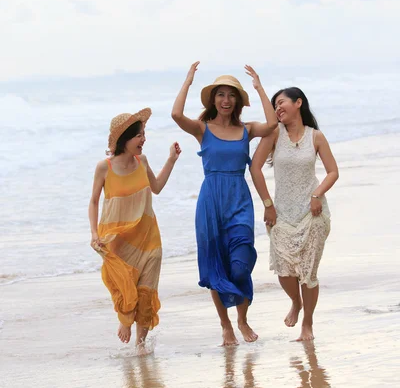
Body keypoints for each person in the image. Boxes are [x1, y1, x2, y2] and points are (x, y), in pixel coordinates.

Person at [171, 62, 277, 346]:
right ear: (213, 99)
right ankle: (227, 326)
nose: (226, 100)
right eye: (221, 94)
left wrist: (258, 86)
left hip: (239, 200)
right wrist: (188, 80)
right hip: (210, 203)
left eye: (232, 95)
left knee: (241, 264)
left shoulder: (247, 129)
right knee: (216, 265)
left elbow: (272, 124)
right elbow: (176, 114)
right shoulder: (202, 129)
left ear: (238, 101)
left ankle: (243, 319)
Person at [250, 87, 339, 341]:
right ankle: (295, 303)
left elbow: (333, 172)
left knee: (308, 272)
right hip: (281, 215)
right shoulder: (274, 134)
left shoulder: (316, 137)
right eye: (275, 105)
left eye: (281, 103)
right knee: (284, 271)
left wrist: (316, 195)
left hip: (313, 213)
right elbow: (255, 169)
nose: (278, 109)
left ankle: (307, 323)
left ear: (298, 103)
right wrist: (267, 204)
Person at [88, 108, 181, 347]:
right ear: (124, 139)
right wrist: (94, 234)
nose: (144, 139)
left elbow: (156, 187)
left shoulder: (143, 161)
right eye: (139, 135)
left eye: (143, 134)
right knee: (126, 287)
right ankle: (126, 318)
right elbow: (94, 201)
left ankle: (140, 346)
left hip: (148, 236)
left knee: (147, 291)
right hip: (119, 239)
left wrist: (171, 160)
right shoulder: (104, 167)